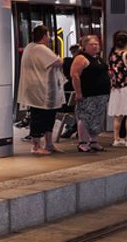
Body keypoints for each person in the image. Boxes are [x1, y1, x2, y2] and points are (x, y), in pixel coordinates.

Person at [16, 25, 64, 156]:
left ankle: (49, 144)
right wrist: (59, 58)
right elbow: (58, 62)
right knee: (40, 118)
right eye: (48, 35)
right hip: (42, 91)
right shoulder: (40, 48)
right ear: (43, 36)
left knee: (48, 117)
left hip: (39, 89)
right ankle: (36, 146)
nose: (50, 38)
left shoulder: (29, 47)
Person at [69, 33, 110, 152]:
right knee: (85, 117)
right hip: (88, 94)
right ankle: (83, 142)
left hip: (100, 94)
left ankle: (93, 141)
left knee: (97, 118)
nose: (95, 47)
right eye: (92, 44)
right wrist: (78, 92)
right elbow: (75, 75)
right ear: (85, 46)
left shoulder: (97, 58)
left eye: (97, 44)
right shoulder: (81, 58)